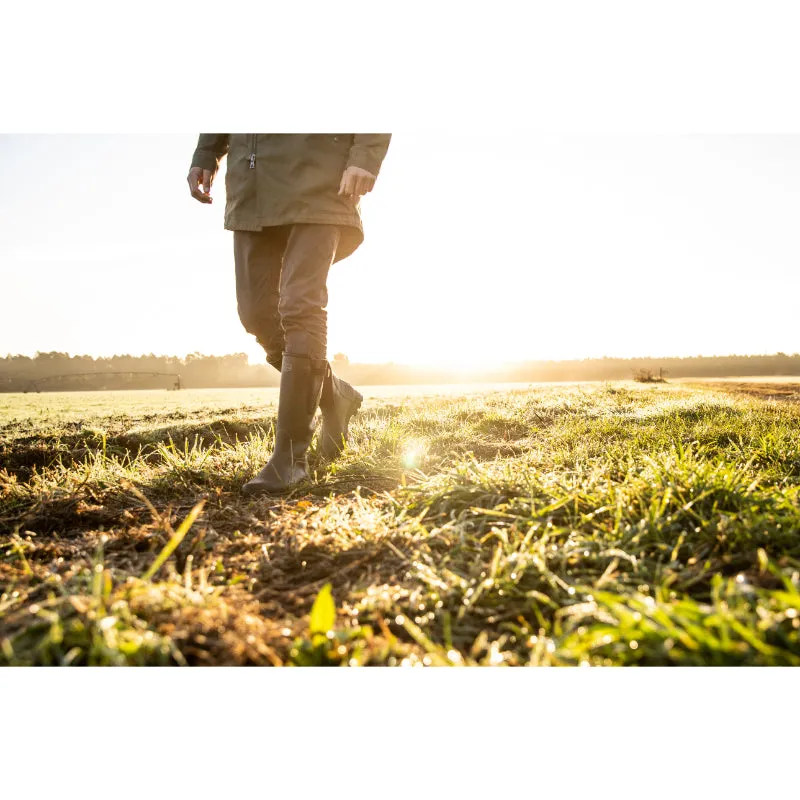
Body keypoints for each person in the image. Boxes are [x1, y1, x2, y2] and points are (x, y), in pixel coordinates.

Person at [187, 134, 391, 494]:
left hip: (321, 179)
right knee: (256, 312)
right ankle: (335, 395)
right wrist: (207, 150)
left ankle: (290, 459)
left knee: (300, 305)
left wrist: (366, 155)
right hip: (252, 185)